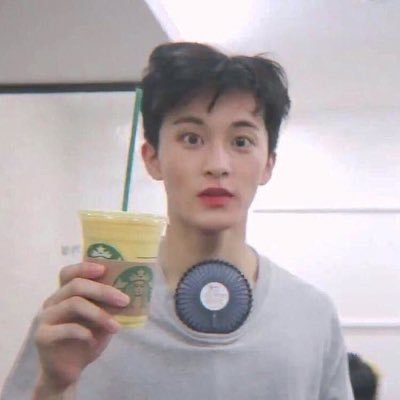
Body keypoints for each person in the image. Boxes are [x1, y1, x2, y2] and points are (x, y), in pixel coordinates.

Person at [1, 42, 354, 399]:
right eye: (192, 139)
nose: (217, 165)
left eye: (241, 141)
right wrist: (54, 386)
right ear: (152, 158)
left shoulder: (311, 316)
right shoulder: (88, 311)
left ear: (268, 164)